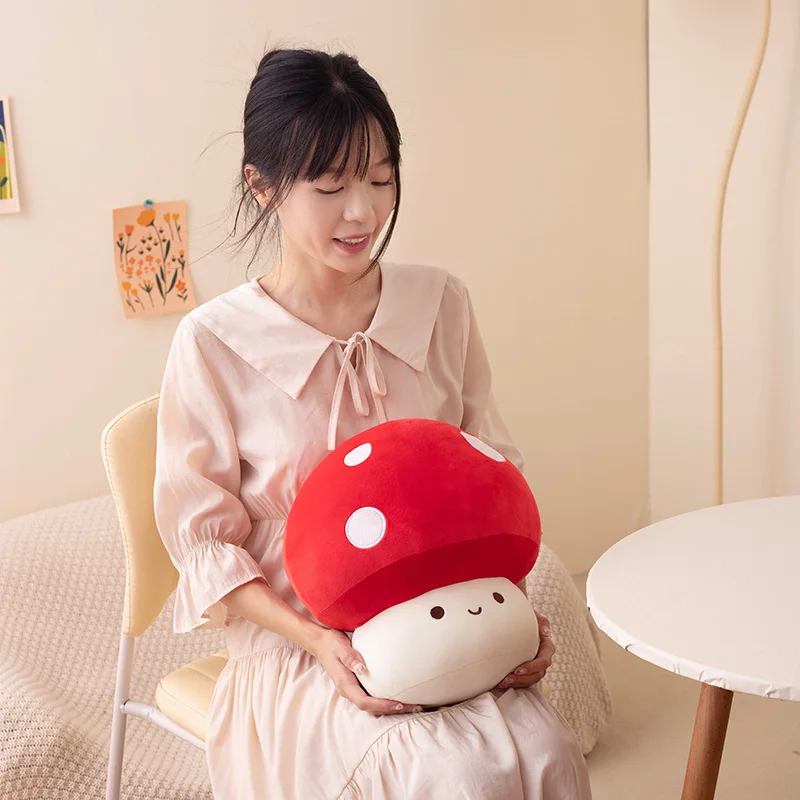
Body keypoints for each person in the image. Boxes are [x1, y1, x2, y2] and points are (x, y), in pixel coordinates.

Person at [154, 47, 592, 799]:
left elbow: (492, 480)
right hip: (300, 646)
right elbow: (205, 549)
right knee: (445, 771)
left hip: (449, 622)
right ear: (263, 186)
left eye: (381, 178)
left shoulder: (441, 305)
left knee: (547, 748)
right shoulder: (213, 344)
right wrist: (321, 643)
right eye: (330, 185)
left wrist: (510, 616)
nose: (362, 211)